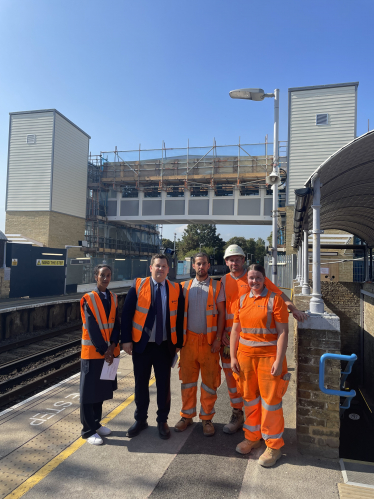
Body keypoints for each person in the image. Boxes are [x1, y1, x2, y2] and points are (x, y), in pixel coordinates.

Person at [218, 244, 307, 434]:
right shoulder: (223, 281)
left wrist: (294, 308)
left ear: (243, 260)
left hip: (253, 343)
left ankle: (263, 431)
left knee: (260, 390)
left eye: (237, 259)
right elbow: (220, 309)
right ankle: (237, 414)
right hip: (232, 340)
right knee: (234, 379)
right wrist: (221, 336)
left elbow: (280, 295)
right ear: (226, 262)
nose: (234, 262)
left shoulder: (255, 276)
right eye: (230, 259)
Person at [230, 264, 290, 467]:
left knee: (271, 402)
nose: (253, 282)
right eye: (250, 278)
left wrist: (279, 360)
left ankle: (274, 446)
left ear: (264, 279)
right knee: (250, 400)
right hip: (245, 358)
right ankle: (252, 437)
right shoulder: (241, 301)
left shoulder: (275, 300)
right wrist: (233, 357)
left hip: (269, 358)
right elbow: (235, 332)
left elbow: (283, 332)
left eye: (257, 278)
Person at [121, 254, 184, 440]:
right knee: (141, 384)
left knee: (164, 385)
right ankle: (140, 419)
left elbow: (179, 317)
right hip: (142, 345)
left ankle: (162, 420)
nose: (161, 269)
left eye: (164, 266)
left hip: (165, 346)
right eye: (157, 266)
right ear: (151, 268)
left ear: (168, 269)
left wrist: (178, 343)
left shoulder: (175, 288)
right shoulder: (138, 285)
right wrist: (125, 340)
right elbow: (126, 314)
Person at [174, 253, 224, 437]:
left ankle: (207, 418)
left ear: (208, 265)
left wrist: (218, 339)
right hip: (188, 342)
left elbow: (222, 314)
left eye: (204, 264)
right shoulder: (183, 287)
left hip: (209, 343)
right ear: (193, 266)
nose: (201, 267)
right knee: (187, 381)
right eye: (198, 264)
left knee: (210, 382)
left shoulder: (217, 286)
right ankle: (186, 415)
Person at [80, 264, 120, 445]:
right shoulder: (89, 298)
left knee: (100, 391)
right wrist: (106, 350)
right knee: (88, 392)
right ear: (96, 276)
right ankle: (88, 430)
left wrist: (112, 346)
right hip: (92, 353)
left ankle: (96, 423)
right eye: (102, 275)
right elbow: (92, 327)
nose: (105, 278)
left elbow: (116, 324)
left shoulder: (113, 297)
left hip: (107, 353)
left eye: (108, 275)